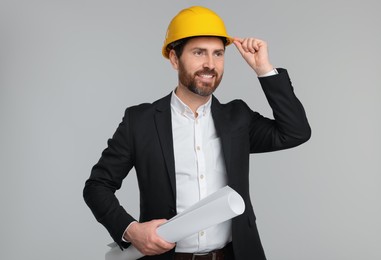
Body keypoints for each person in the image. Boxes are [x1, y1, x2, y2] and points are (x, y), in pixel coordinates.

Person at [83, 5, 311, 260]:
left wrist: (264, 69)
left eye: (218, 54)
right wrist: (132, 230)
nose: (210, 65)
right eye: (199, 53)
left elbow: (295, 132)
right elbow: (97, 186)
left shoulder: (238, 118)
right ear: (174, 58)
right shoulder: (140, 122)